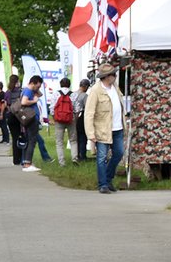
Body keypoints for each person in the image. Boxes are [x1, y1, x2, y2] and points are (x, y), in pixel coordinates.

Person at [84, 63, 124, 193]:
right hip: (102, 129)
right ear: (107, 77)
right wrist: (91, 133)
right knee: (101, 157)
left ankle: (108, 178)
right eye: (113, 74)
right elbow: (89, 113)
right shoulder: (96, 91)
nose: (116, 76)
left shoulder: (115, 87)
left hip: (117, 127)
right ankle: (103, 184)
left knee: (119, 153)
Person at [51, 77, 78, 166]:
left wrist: (54, 117)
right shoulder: (73, 94)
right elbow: (77, 108)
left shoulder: (56, 94)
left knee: (59, 141)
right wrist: (75, 117)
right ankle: (74, 158)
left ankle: (62, 162)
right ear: (69, 85)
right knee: (73, 140)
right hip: (70, 119)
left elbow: (52, 108)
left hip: (59, 119)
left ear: (60, 84)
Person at [19, 75, 44, 171]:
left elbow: (40, 95)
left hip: (30, 119)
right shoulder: (28, 91)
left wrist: (36, 89)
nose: (39, 88)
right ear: (33, 83)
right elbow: (24, 102)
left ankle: (26, 161)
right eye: (38, 86)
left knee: (29, 140)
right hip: (31, 119)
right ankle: (28, 163)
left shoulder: (28, 90)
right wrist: (34, 100)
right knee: (32, 140)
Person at [5, 75, 24, 164]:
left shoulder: (8, 92)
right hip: (19, 116)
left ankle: (15, 159)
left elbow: (6, 104)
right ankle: (21, 157)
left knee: (14, 137)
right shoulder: (20, 91)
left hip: (10, 116)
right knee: (21, 136)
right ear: (17, 82)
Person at [73, 78, 91, 160]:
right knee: (83, 137)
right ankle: (82, 155)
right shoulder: (85, 96)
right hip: (81, 117)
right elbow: (88, 107)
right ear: (86, 86)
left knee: (75, 137)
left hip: (72, 117)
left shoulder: (73, 94)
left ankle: (75, 155)